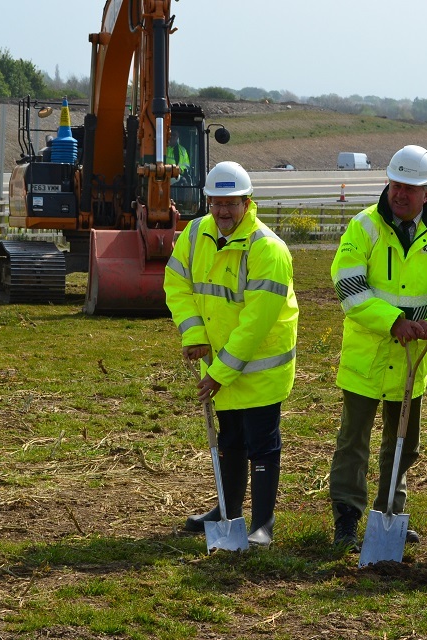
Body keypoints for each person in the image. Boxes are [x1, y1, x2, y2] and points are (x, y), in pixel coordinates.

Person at [329, 144, 427, 551]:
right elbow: (348, 286)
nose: (401, 194)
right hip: (368, 355)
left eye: (411, 188)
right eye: (396, 185)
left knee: (404, 442)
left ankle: (390, 513)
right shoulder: (364, 226)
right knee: (353, 442)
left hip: (415, 357)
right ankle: (347, 516)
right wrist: (394, 322)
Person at [164, 161, 298, 547]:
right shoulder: (194, 233)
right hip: (220, 362)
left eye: (231, 204)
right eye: (216, 203)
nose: (223, 212)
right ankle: (227, 510)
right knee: (230, 441)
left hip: (259, 367)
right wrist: (193, 332)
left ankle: (262, 524)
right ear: (208, 201)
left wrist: (219, 372)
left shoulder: (268, 249)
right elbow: (177, 282)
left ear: (247, 202)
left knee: (262, 444)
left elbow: (255, 324)